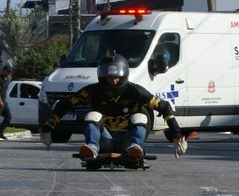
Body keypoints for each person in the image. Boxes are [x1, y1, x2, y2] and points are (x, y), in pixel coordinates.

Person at [40, 52, 188, 160]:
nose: (113, 82)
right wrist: (48, 128)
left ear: (124, 75)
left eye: (117, 77)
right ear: (102, 76)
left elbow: (164, 107)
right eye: (109, 78)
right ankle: (92, 147)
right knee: (92, 115)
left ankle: (136, 147)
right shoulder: (92, 91)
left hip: (127, 140)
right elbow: (65, 105)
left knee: (140, 117)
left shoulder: (135, 91)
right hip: (104, 139)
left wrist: (177, 136)